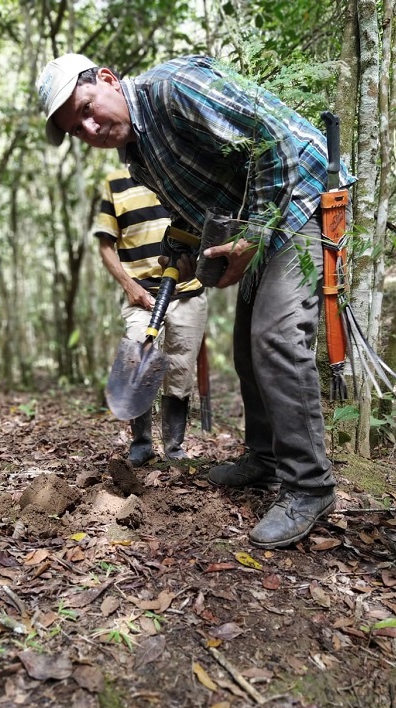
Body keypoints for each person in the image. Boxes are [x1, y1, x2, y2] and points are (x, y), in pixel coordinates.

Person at [36, 53, 356, 550]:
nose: (91, 126)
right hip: (265, 220)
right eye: (78, 127)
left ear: (106, 80)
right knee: (248, 348)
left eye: (87, 108)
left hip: (303, 200)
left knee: (275, 338)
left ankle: (309, 486)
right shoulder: (138, 156)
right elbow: (197, 210)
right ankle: (265, 459)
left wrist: (251, 234)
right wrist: (181, 253)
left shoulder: (170, 90)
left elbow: (271, 143)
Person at [93, 166, 207, 466]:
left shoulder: (179, 169)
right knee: (136, 359)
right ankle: (141, 443)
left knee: (180, 369)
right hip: (141, 295)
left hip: (187, 292)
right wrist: (128, 285)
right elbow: (105, 244)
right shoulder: (115, 182)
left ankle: (174, 448)